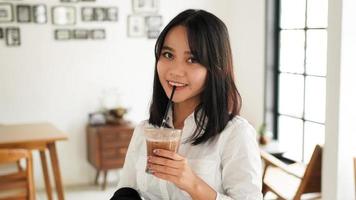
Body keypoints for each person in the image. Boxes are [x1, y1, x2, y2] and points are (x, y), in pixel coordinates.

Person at [111, 9, 262, 200]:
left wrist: (193, 184)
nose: (175, 71)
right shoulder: (145, 130)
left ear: (216, 68)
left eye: (192, 59)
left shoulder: (235, 134)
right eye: (168, 55)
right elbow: (127, 189)